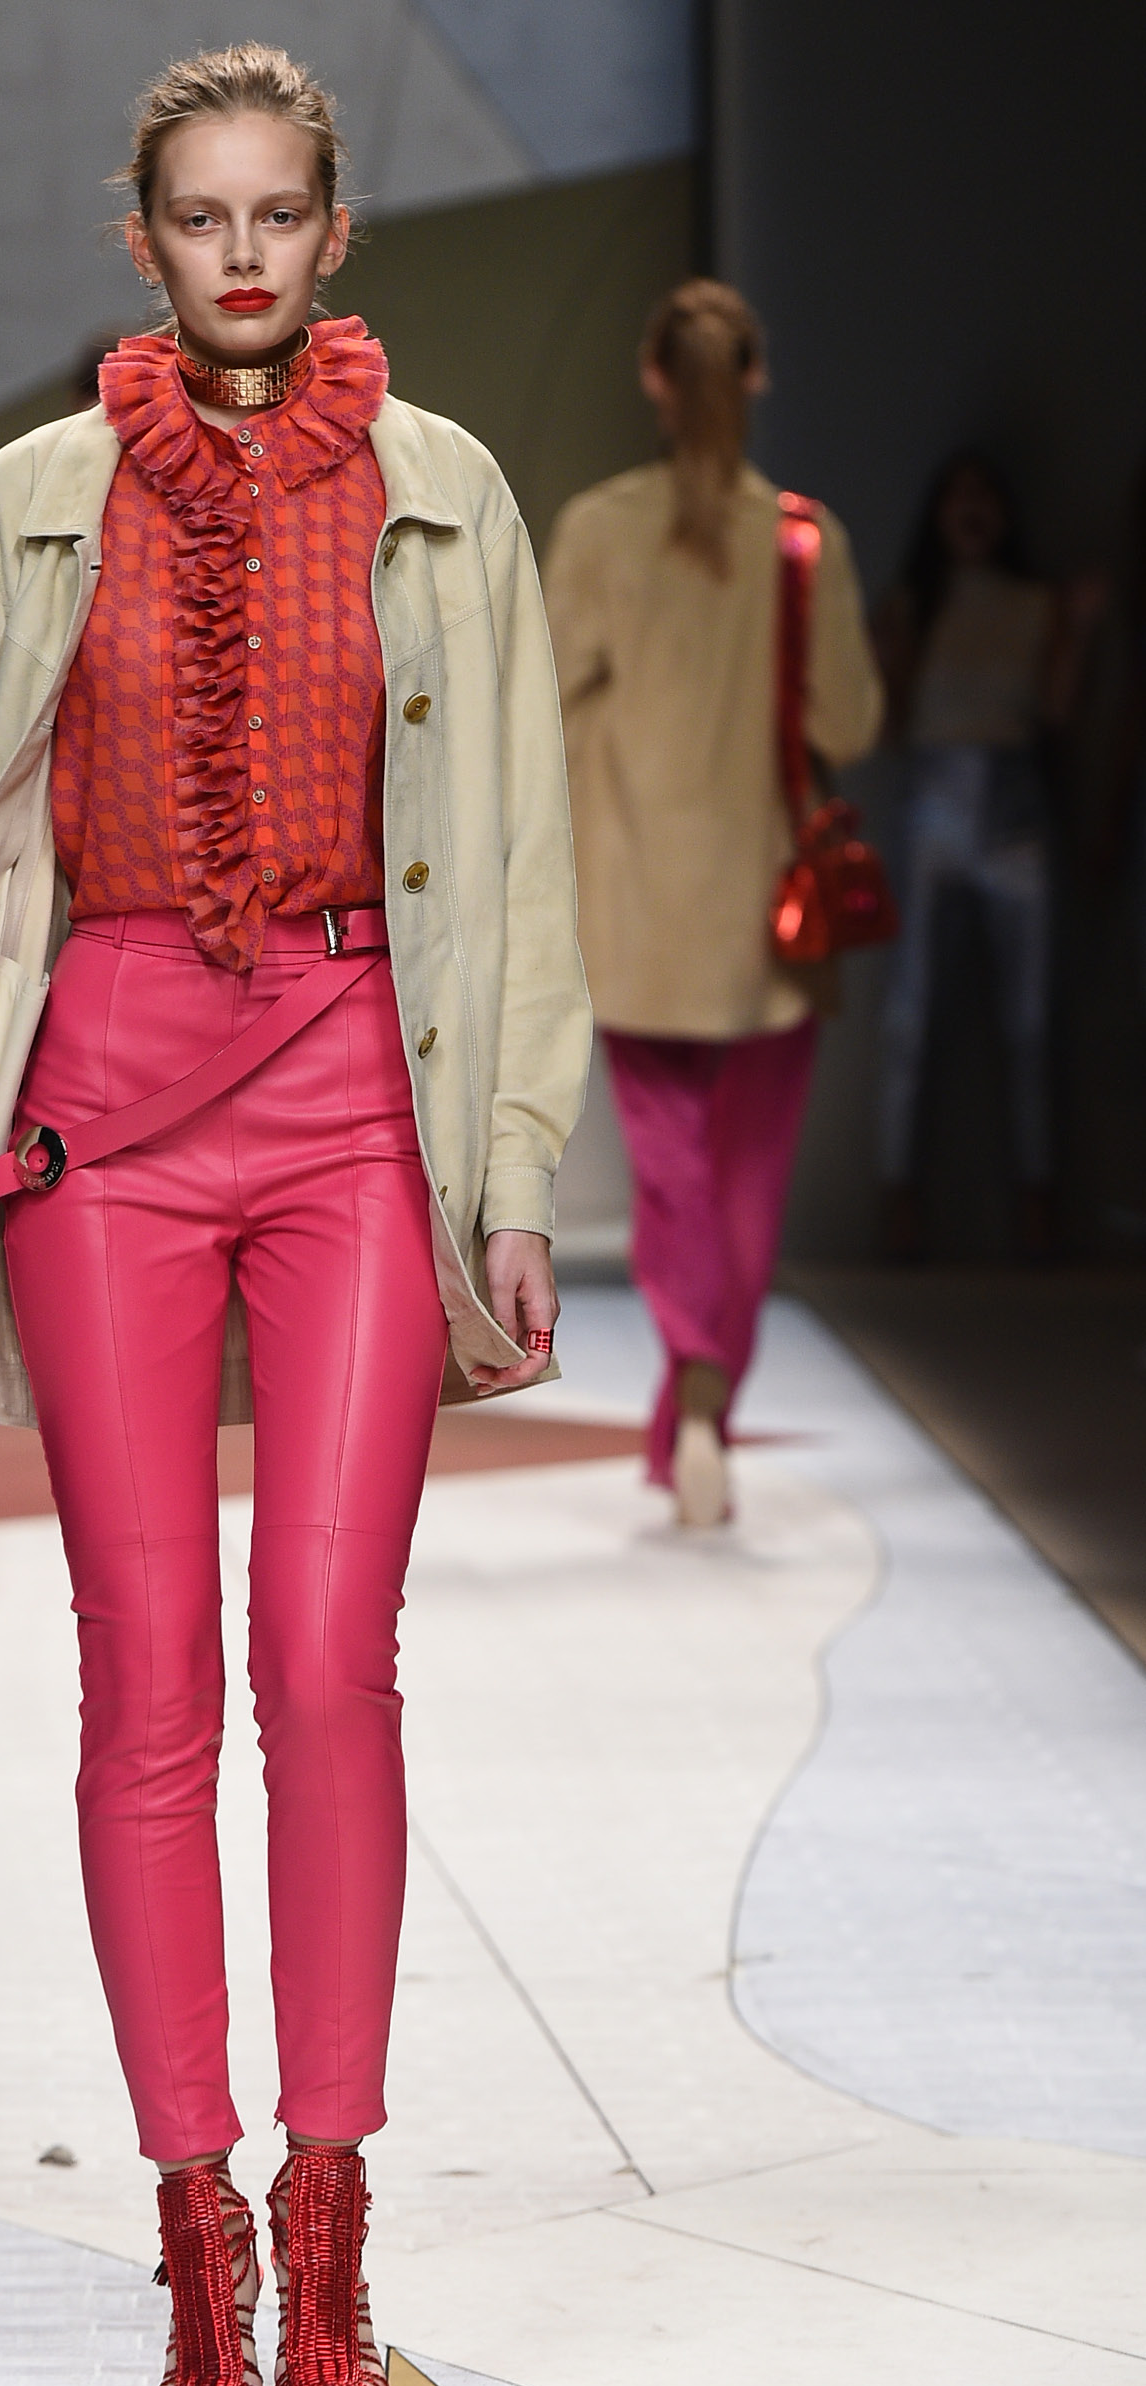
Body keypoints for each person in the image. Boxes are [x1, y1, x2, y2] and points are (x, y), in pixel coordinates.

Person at [0, 40, 589, 2386]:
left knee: (326, 1658)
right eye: (198, 216)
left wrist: (515, 1170)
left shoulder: (443, 492)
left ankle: (328, 2207)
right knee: (142, 1679)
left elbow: (517, 862)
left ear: (333, 232)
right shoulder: (30, 506)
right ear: (139, 243)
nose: (240, 252)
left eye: (276, 213)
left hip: (357, 1104)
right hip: (103, 1128)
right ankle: (193, 2228)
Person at [543, 280, 882, 1526]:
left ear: (651, 379)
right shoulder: (802, 540)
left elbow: (539, 695)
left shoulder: (597, 528)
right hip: (761, 908)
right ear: (752, 377)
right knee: (743, 1181)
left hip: (630, 901)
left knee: (672, 1174)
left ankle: (688, 1403)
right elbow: (849, 720)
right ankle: (698, 1411)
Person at [872, 451, 1104, 1260]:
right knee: (909, 1014)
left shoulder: (1037, 603)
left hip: (1015, 810)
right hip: (932, 808)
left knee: (1029, 1019)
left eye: (985, 493)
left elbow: (1057, 712)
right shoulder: (916, 603)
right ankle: (898, 1204)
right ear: (938, 513)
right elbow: (890, 729)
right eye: (958, 494)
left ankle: (1038, 1207)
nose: (972, 508)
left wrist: (1078, 630)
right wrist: (886, 655)